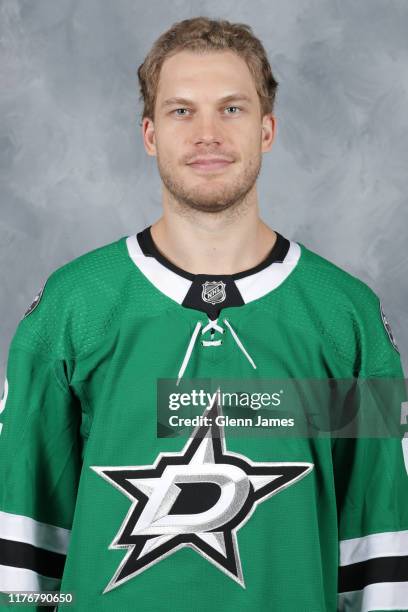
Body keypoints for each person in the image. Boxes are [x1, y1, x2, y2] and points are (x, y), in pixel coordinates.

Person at [0, 16, 407, 612]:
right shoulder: (72, 307)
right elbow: (23, 538)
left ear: (267, 129)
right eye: (182, 111)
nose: (207, 134)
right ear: (149, 133)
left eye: (232, 109)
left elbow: (379, 542)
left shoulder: (345, 318)